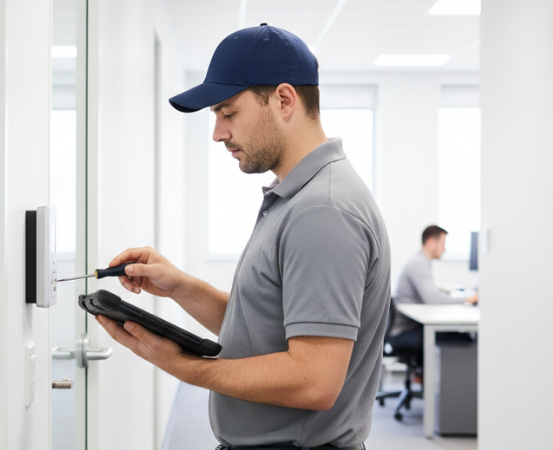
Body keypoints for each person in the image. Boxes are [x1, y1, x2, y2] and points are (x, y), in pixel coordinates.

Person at [95, 24, 390, 450]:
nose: (218, 133)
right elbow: (263, 328)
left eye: (228, 113)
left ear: (284, 100)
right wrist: (180, 286)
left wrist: (183, 366)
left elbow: (314, 381)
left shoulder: (323, 211)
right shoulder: (298, 196)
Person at [388, 225, 477, 352]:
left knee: (459, 336)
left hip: (409, 327)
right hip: (404, 332)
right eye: (443, 244)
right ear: (431, 242)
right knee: (462, 338)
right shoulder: (418, 263)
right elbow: (433, 299)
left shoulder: (420, 261)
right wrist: (467, 299)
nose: (445, 250)